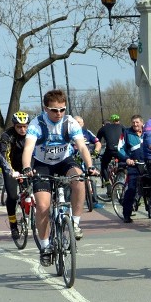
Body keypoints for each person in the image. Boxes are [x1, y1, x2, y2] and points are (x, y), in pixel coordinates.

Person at [21, 89, 98, 266]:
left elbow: (82, 147)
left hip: (64, 161)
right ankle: (46, 245)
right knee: (42, 206)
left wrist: (90, 166)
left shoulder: (70, 122)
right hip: (42, 164)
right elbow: (28, 149)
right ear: (45, 109)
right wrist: (26, 168)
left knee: (79, 179)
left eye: (62, 109)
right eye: (54, 110)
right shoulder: (37, 124)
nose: (59, 114)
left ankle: (75, 223)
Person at [0, 111, 30, 240]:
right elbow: (4, 155)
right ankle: (13, 224)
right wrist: (11, 171)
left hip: (27, 167)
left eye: (25, 126)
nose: (22, 129)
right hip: (11, 168)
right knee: (12, 196)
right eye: (19, 127)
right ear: (14, 126)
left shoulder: (32, 134)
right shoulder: (7, 136)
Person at [117, 114, 151, 223]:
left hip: (147, 163)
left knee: (150, 187)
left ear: (142, 123)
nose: (135, 124)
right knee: (131, 189)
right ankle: (126, 214)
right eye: (133, 122)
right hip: (133, 165)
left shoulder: (147, 132)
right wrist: (127, 159)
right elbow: (120, 148)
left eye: (137, 122)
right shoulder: (126, 133)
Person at [96, 114, 125, 186]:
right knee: (122, 162)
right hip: (120, 149)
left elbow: (97, 141)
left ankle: (107, 183)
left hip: (110, 150)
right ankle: (120, 174)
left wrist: (96, 152)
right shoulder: (122, 126)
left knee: (104, 165)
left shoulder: (103, 128)